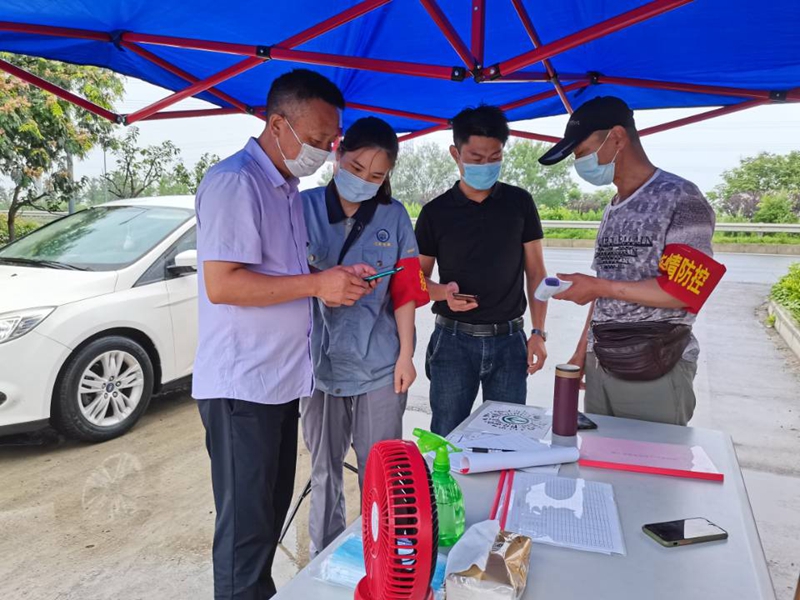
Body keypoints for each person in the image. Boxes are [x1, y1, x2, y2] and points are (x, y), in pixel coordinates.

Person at [193, 69, 376, 600]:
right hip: (241, 386)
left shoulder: (286, 189)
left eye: (331, 141)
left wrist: (328, 279)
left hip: (276, 382)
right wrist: (318, 284)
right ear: (277, 125)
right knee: (245, 534)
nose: (324, 151)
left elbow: (282, 275)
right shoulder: (236, 183)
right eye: (317, 140)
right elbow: (224, 284)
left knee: (268, 517)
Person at [538, 96, 717, 426]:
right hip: (601, 362)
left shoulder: (680, 197)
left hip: (655, 365)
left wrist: (597, 286)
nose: (580, 163)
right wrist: (582, 352)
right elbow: (602, 294)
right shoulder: (614, 206)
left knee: (651, 457)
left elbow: (683, 292)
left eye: (582, 152)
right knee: (598, 456)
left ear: (617, 137)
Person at [301, 116, 430, 556]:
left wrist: (406, 355)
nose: (363, 181)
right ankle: (325, 557)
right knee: (324, 471)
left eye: (376, 176)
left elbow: (406, 291)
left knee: (384, 472)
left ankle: (386, 557)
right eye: (356, 168)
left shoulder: (393, 216)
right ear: (338, 155)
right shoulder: (302, 208)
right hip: (316, 364)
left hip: (379, 363)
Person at [415, 105, 549, 437]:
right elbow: (416, 279)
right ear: (455, 154)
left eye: (494, 157)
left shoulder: (519, 203)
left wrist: (538, 332)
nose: (486, 165)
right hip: (452, 342)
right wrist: (442, 293)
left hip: (509, 342)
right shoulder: (435, 212)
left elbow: (536, 273)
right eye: (476, 158)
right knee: (446, 436)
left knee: (508, 439)